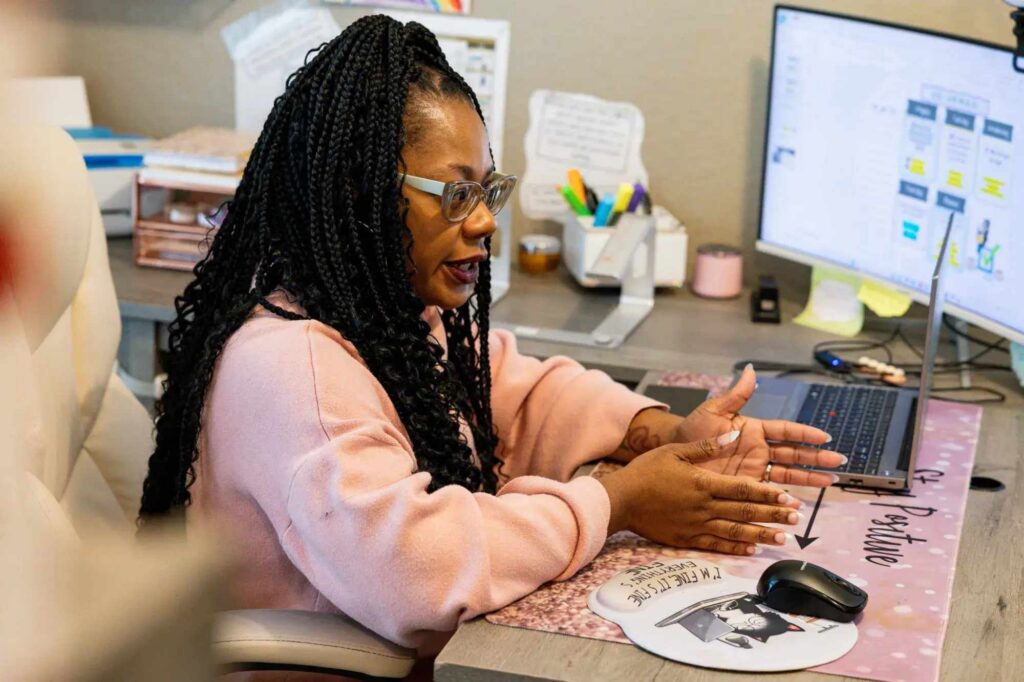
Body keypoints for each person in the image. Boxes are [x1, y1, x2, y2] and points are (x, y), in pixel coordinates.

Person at [138, 14, 841, 663]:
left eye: (487, 191)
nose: (484, 222)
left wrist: (662, 435)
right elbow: (416, 569)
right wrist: (617, 502)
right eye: (456, 195)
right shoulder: (293, 368)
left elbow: (517, 390)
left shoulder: (384, 317)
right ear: (362, 195)